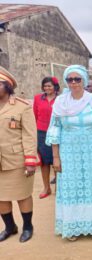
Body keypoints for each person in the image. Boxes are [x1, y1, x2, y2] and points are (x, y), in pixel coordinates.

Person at [46, 65, 92, 241]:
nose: (74, 83)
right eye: (70, 79)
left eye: (77, 79)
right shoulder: (61, 102)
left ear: (84, 80)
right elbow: (55, 129)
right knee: (71, 187)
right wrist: (56, 157)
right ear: (66, 81)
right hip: (68, 152)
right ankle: (71, 224)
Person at [0, 67, 37, 243]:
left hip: (17, 160)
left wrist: (30, 160)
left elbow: (29, 135)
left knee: (22, 195)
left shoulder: (22, 107)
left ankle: (28, 227)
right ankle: (10, 227)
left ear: (7, 86)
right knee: (1, 198)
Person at [33, 76, 60, 199]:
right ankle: (46, 188)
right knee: (44, 162)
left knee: (57, 162)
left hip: (58, 133)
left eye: (49, 85)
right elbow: (34, 115)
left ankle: (59, 188)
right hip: (42, 133)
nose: (47, 88)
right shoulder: (38, 98)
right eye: (45, 86)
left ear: (55, 87)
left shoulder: (61, 99)